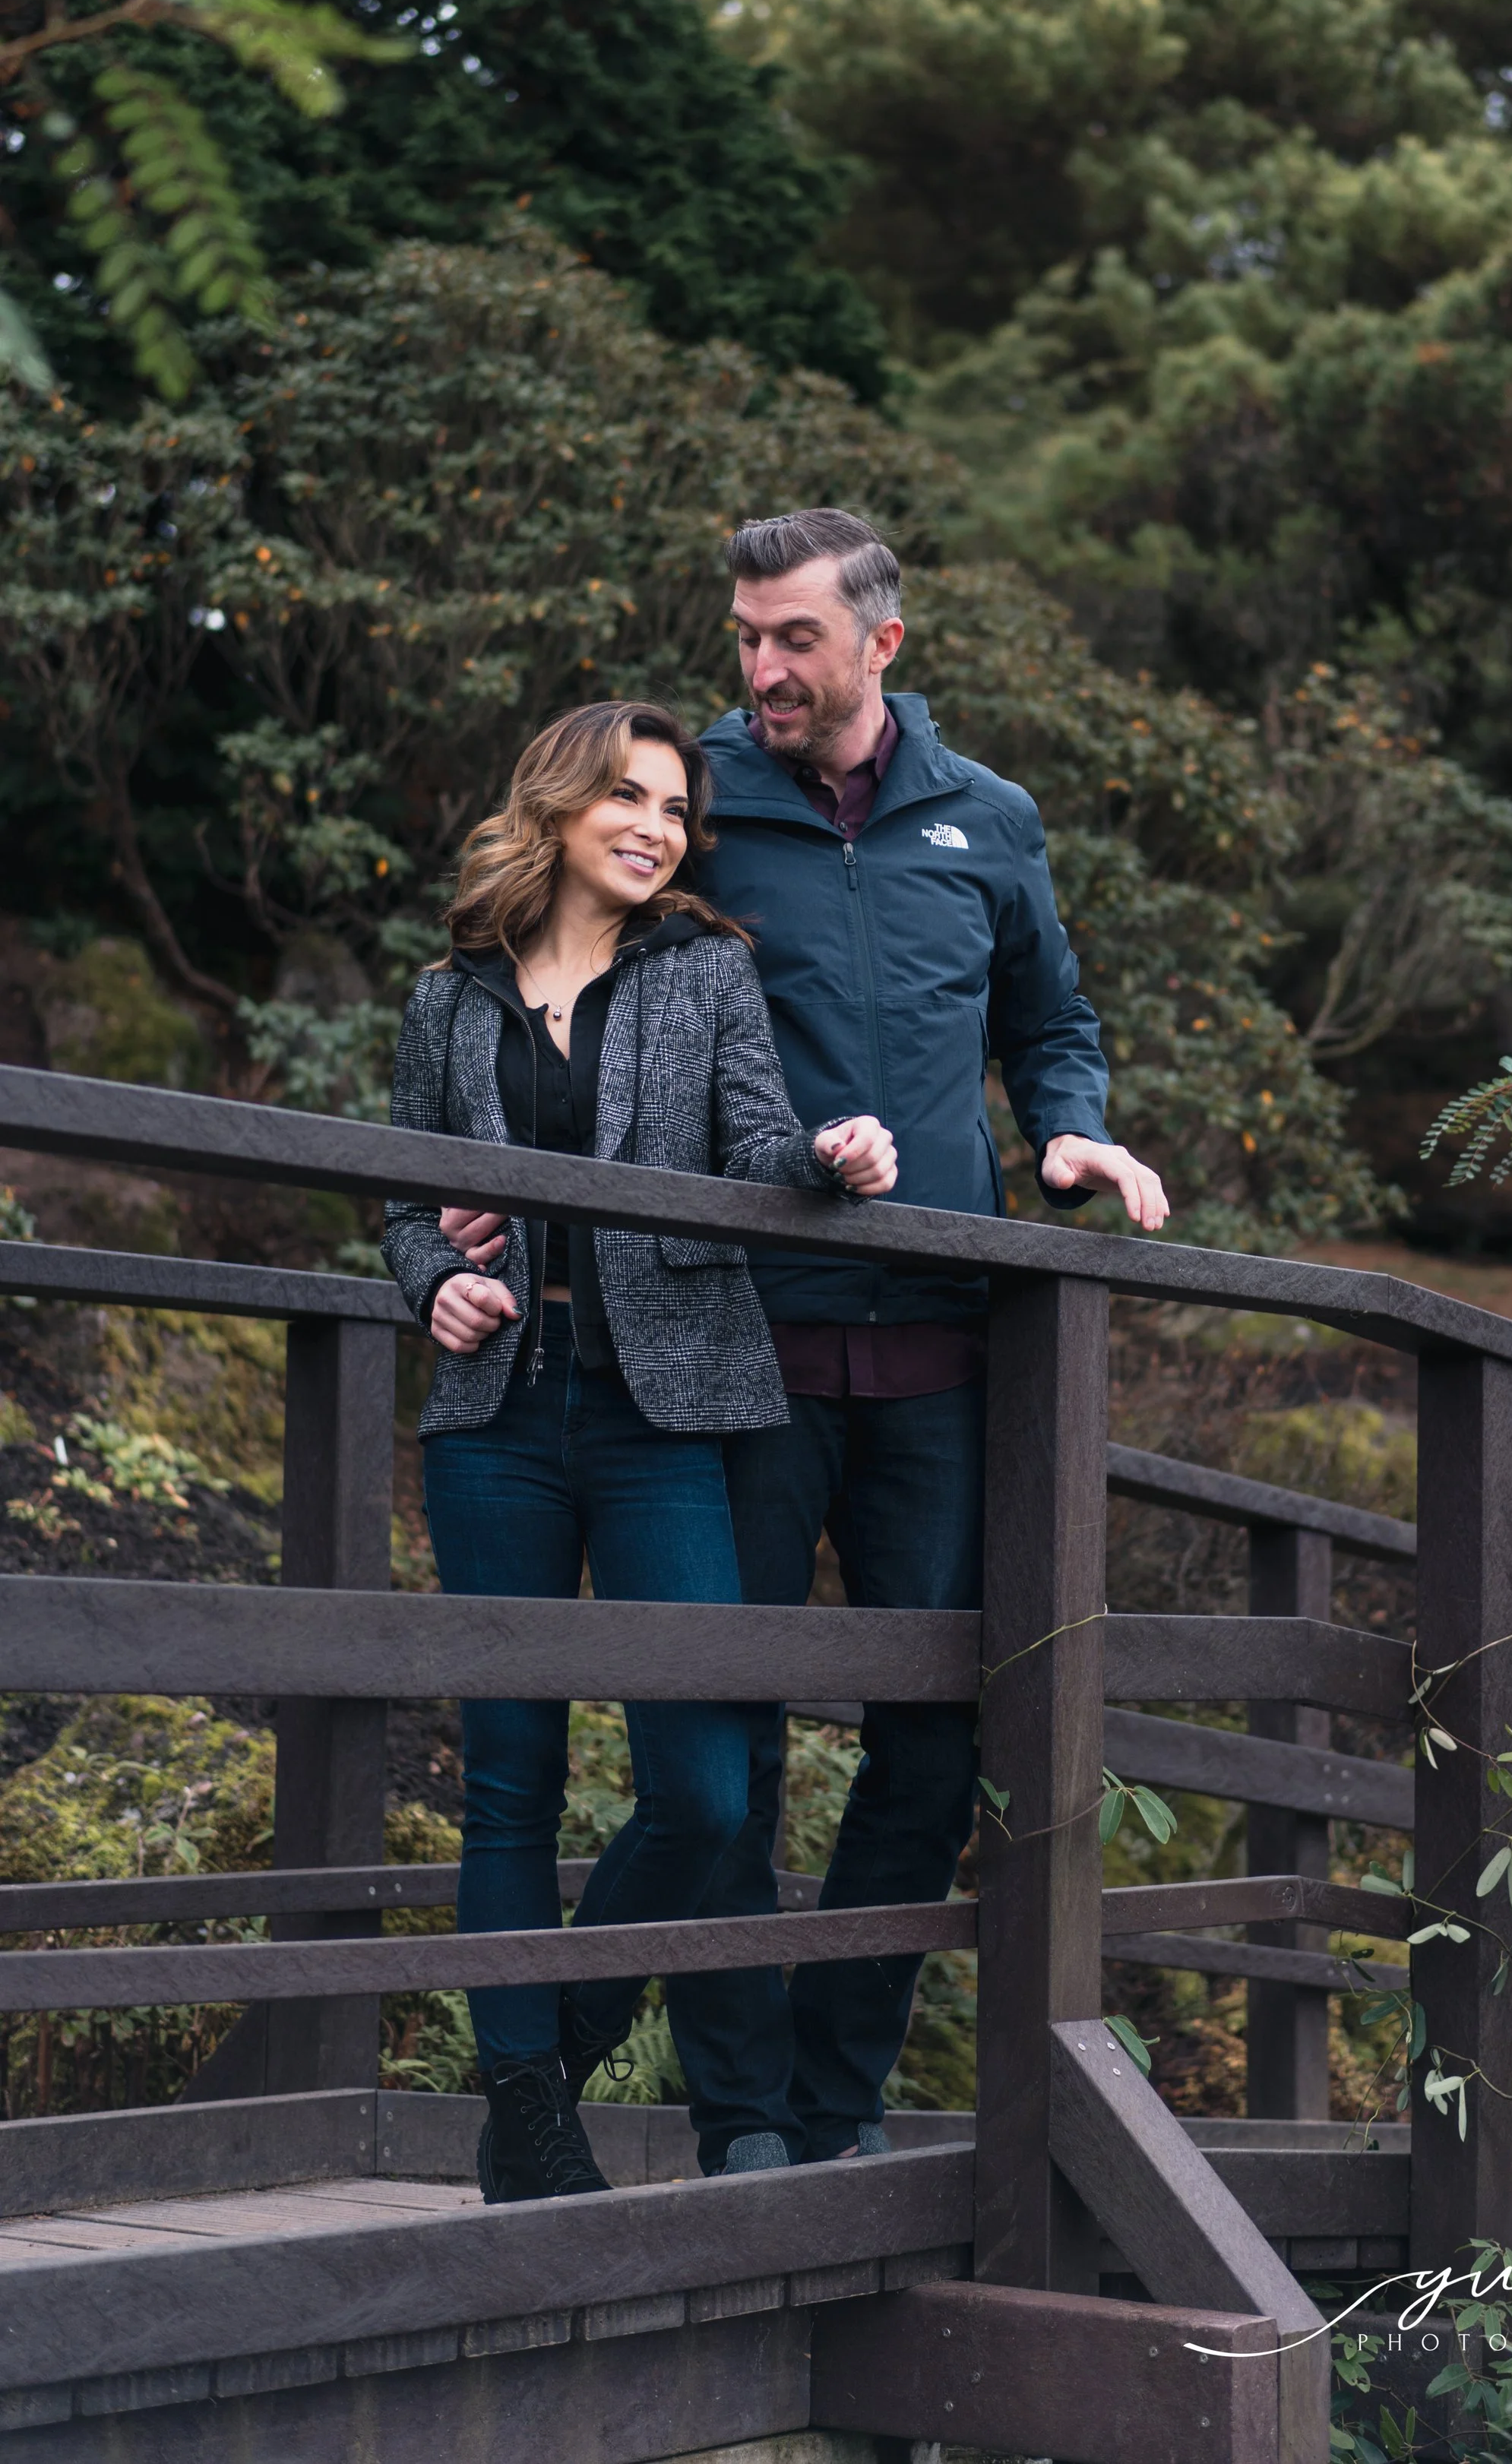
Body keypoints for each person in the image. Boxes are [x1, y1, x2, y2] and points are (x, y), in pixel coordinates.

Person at [666, 505, 1170, 2174]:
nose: (760, 672)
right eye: (744, 637)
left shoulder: (990, 821)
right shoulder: (697, 802)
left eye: (791, 638)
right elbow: (582, 981)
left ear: (882, 642)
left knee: (930, 1743)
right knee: (715, 1742)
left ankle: (834, 2106)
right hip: (740, 1343)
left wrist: (1074, 1129)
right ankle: (735, 2113)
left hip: (946, 1355)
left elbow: (1050, 1023)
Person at [382, 698, 895, 2203]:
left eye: (673, 807)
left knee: (706, 1787)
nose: (655, 826)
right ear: (554, 804)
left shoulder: (703, 975)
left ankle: (546, 2052)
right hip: (496, 1416)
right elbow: (405, 1197)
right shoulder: (446, 998)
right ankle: (533, 2126)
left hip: (663, 1410)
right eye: (627, 794)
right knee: (509, 1782)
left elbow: (753, 1141)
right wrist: (433, 1279)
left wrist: (822, 1157)